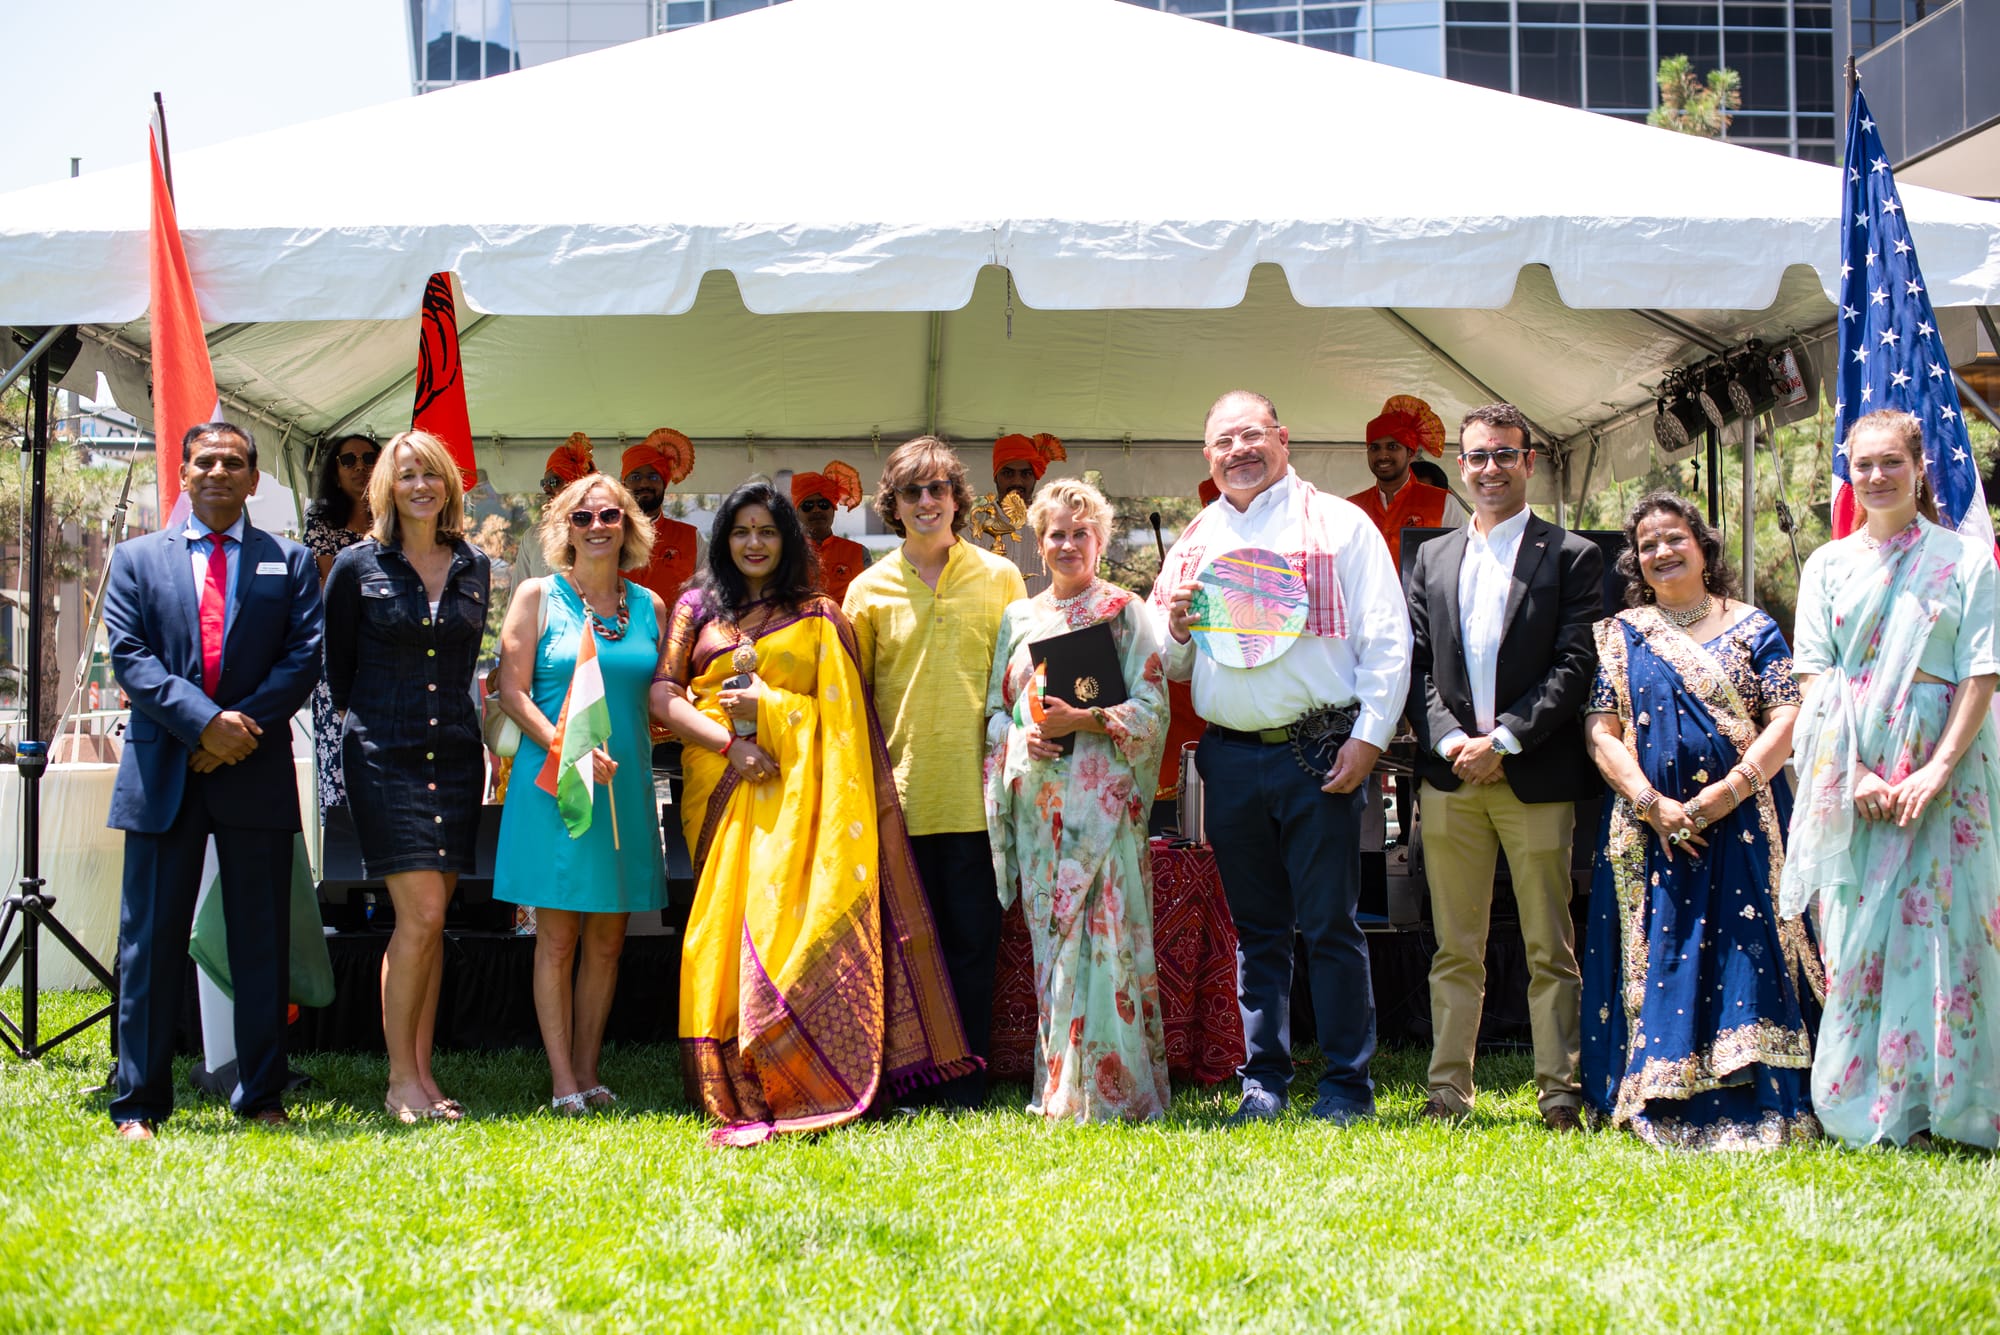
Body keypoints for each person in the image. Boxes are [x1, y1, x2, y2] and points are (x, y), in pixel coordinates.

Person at [657, 482, 975, 1145]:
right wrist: (732, 746)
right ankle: (733, 1069)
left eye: (766, 531)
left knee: (785, 925)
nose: (753, 543)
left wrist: (771, 711)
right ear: (723, 538)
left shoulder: (821, 614)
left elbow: (845, 717)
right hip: (720, 784)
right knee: (721, 929)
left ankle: (796, 1063)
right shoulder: (697, 607)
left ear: (788, 540)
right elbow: (664, 696)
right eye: (740, 531)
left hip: (802, 800)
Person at [1153, 390, 1411, 1125]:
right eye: (1223, 441)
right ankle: (1262, 1083)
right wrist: (1176, 628)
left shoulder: (1340, 525)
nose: (1238, 450)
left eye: (1251, 435)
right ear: (1208, 456)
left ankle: (1346, 1086)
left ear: (1283, 438)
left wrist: (1369, 737)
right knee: (1258, 929)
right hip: (1231, 757)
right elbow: (1171, 662)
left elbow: (1388, 638)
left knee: (1330, 924)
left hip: (1317, 750)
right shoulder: (1196, 537)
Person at [1783, 408, 2000, 1150]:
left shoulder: (1965, 559)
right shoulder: (1826, 565)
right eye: (1863, 464)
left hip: (1951, 766)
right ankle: (1872, 1103)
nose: (1876, 476)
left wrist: (1936, 769)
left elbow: (1981, 671)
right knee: (1858, 928)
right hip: (1854, 768)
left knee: (1948, 924)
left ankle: (1953, 1103)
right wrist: (1858, 774)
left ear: (1918, 467)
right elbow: (1813, 675)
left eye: (1891, 462)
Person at [1578, 491, 1819, 1149]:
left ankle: (1759, 1091)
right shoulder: (1623, 634)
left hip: (1746, 823)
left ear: (1703, 547)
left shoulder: (1753, 626)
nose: (1661, 551)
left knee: (1749, 952)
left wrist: (1729, 792)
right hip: (1651, 831)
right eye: (1647, 545)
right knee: (1665, 947)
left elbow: (1787, 717)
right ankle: (1661, 1089)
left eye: (1674, 538)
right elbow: (1601, 731)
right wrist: (1653, 805)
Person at [102, 422, 323, 1139]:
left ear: (254, 480)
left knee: (260, 938)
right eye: (206, 461)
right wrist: (203, 726)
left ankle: (261, 1093)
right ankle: (139, 1103)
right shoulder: (136, 559)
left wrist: (234, 734)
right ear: (184, 474)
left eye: (234, 462)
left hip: (253, 771)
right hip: (163, 770)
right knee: (149, 942)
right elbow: (130, 657)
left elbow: (303, 658)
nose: (219, 472)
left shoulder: (289, 561)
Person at [1404, 403, 1601, 1131]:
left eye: (1505, 455)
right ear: (1461, 465)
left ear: (1530, 461)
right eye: (1479, 456)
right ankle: (1447, 1092)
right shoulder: (1431, 558)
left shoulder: (1572, 555)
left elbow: (1575, 664)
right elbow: (1417, 667)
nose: (1491, 468)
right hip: (1451, 776)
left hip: (1535, 777)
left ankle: (1560, 1094)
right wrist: (1452, 741)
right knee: (1454, 947)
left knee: (1551, 945)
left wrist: (1507, 740)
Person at [843, 436, 1028, 1107]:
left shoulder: (1001, 577)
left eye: (938, 488)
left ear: (957, 498)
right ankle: (906, 1080)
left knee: (974, 946)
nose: (927, 501)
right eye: (912, 491)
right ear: (892, 505)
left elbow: (1021, 684)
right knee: (903, 950)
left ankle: (966, 1082)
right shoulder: (865, 590)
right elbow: (853, 700)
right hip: (898, 799)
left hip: (981, 797)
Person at [984, 478, 1172, 1121]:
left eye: (1081, 533)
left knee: (1107, 942)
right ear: (1039, 544)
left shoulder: (1125, 612)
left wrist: (1084, 721)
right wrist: (1023, 735)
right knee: (1055, 946)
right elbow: (993, 715)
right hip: (1040, 811)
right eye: (1056, 534)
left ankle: (1119, 1094)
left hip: (1105, 810)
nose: (1068, 544)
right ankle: (1061, 1090)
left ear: (1101, 541)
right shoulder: (1018, 619)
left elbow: (1152, 709)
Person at [324, 429, 492, 1123]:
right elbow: (338, 673)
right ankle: (399, 1082)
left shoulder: (476, 565)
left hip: (455, 755)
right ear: (386, 488)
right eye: (406, 474)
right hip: (383, 756)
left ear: (448, 484)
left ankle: (423, 1074)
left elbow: (466, 664)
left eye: (431, 473)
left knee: (427, 922)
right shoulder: (355, 565)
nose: (419, 485)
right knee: (420, 915)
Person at [493, 472, 668, 1115]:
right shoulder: (537, 595)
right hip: (554, 787)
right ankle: (563, 1080)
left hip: (624, 789)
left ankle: (591, 1073)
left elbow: (662, 695)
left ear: (629, 526)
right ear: (564, 528)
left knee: (608, 943)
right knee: (559, 940)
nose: (597, 526)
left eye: (609, 515)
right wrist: (567, 747)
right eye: (583, 517)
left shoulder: (650, 607)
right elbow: (510, 691)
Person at [302, 434, 376, 812]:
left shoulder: (395, 518)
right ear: (335, 471)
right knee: (340, 764)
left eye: (369, 458)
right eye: (349, 460)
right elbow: (333, 587)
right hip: (337, 656)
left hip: (386, 654)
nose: (360, 466)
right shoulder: (320, 519)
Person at [1347, 394, 1466, 571]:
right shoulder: (1352, 507)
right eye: (1374, 448)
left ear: (1410, 453)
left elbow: (1459, 565)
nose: (1382, 455)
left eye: (1392, 447)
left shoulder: (1443, 503)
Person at [620, 428, 704, 604]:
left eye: (653, 477)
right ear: (623, 484)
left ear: (664, 484)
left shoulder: (690, 537)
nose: (644, 483)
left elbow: (708, 592)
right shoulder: (607, 533)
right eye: (635, 477)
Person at [985, 432, 1067, 598]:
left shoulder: (1054, 528)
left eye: (1025, 474)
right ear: (996, 477)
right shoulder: (973, 530)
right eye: (1008, 474)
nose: (1017, 481)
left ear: (1035, 477)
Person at [792, 460, 872, 604]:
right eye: (808, 506)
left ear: (833, 509)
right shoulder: (785, 553)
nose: (816, 510)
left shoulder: (859, 553)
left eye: (823, 504)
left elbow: (869, 599)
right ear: (797, 512)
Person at [518, 432, 595, 580]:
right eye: (544, 483)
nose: (547, 488)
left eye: (554, 482)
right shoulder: (533, 537)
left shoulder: (602, 531)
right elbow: (518, 589)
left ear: (576, 484)